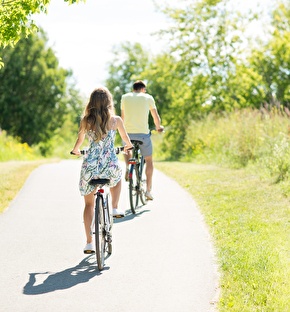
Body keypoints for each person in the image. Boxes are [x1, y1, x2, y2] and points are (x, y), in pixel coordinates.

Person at [71, 86, 133, 254]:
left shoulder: (86, 120)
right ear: (108, 102)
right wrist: (128, 146)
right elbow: (126, 141)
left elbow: (79, 140)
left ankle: (89, 242)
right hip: (109, 165)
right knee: (118, 178)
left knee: (89, 205)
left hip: (90, 167)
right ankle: (114, 207)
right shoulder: (116, 120)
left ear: (91, 102)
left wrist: (76, 151)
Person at [121, 80, 164, 201]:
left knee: (127, 149)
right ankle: (148, 191)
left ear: (133, 89)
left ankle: (127, 167)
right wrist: (158, 127)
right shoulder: (147, 97)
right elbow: (156, 117)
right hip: (143, 135)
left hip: (127, 134)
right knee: (149, 160)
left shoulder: (125, 97)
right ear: (143, 89)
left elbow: (122, 117)